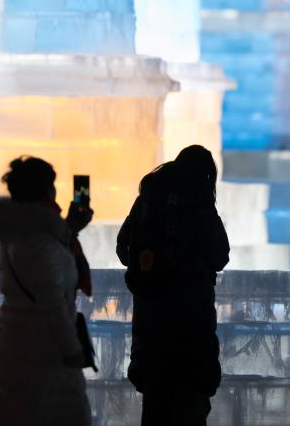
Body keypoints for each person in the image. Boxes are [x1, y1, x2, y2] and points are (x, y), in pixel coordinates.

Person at [116, 145, 230, 426]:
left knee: (155, 410)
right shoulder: (200, 205)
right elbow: (220, 256)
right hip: (192, 333)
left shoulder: (148, 201)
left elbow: (123, 249)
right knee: (190, 410)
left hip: (152, 330)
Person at [0, 156, 95, 426]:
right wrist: (72, 350)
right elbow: (52, 303)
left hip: (16, 345)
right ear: (46, 191)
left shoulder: (16, 229)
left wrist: (69, 229)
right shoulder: (39, 239)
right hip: (44, 356)